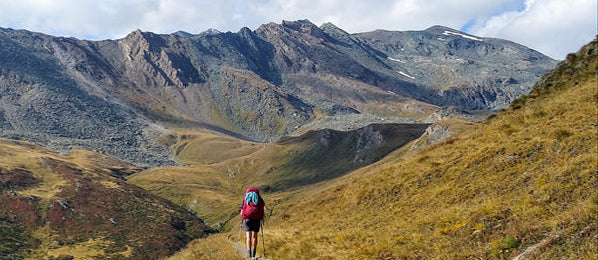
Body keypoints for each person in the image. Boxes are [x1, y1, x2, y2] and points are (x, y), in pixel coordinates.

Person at [240, 187, 265, 259]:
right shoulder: (259, 198)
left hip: (247, 219)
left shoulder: (246, 197)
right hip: (257, 219)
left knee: (248, 236)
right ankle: (254, 253)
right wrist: (262, 218)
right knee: (255, 236)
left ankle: (249, 254)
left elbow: (242, 211)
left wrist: (243, 217)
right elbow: (262, 208)